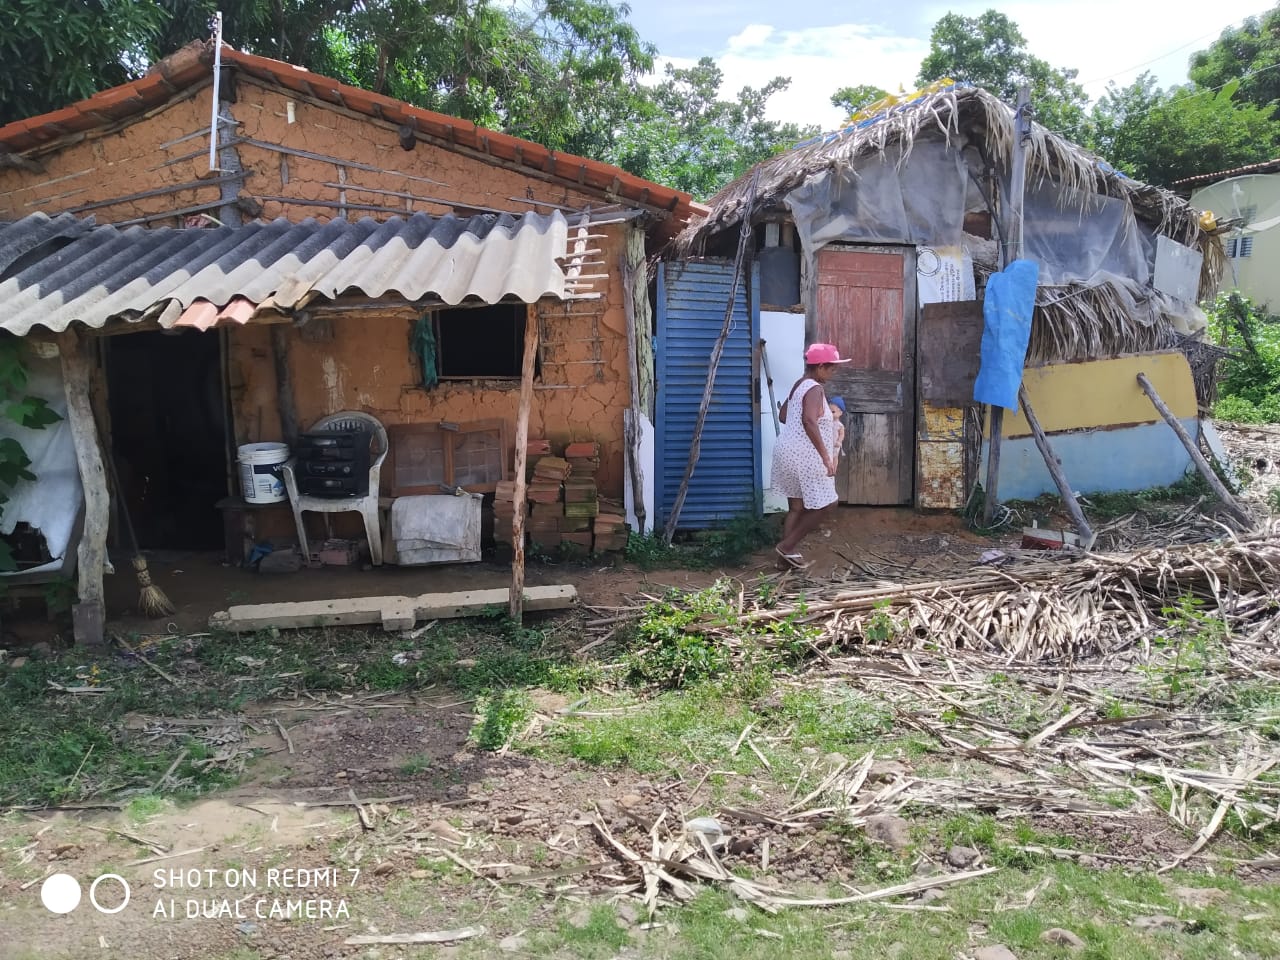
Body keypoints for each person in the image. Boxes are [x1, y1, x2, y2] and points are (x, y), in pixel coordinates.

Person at [771, 343, 851, 568]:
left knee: (796, 508)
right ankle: (787, 547)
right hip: (805, 456)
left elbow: (784, 416)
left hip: (786, 451)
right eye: (832, 368)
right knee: (828, 503)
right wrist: (826, 456)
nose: (834, 372)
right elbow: (808, 420)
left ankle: (784, 560)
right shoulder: (815, 388)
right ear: (821, 367)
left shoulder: (799, 385)